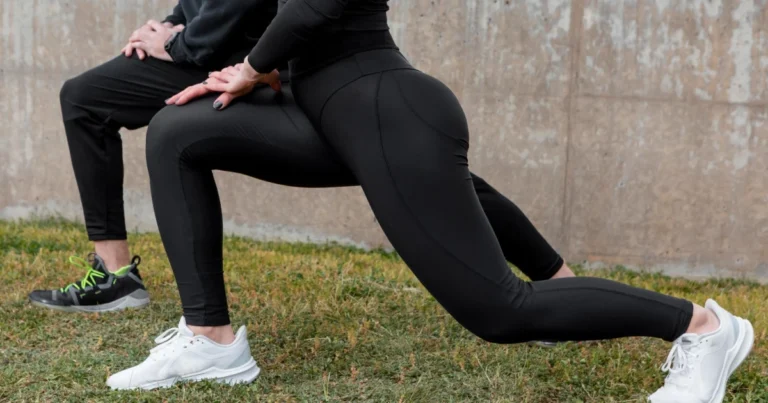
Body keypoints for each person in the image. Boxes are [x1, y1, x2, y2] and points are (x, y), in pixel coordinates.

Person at [108, 1, 753, 401]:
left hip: (387, 113)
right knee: (177, 132)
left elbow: (317, 6)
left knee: (499, 311)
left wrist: (252, 67)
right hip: (326, 111)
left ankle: (704, 329)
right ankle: (211, 340)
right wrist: (248, 63)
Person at [28, 0, 574, 313]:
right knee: (86, 98)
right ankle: (117, 276)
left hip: (265, 56)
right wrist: (168, 25)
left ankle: (558, 281)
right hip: (216, 48)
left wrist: (177, 45)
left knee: (424, 172)